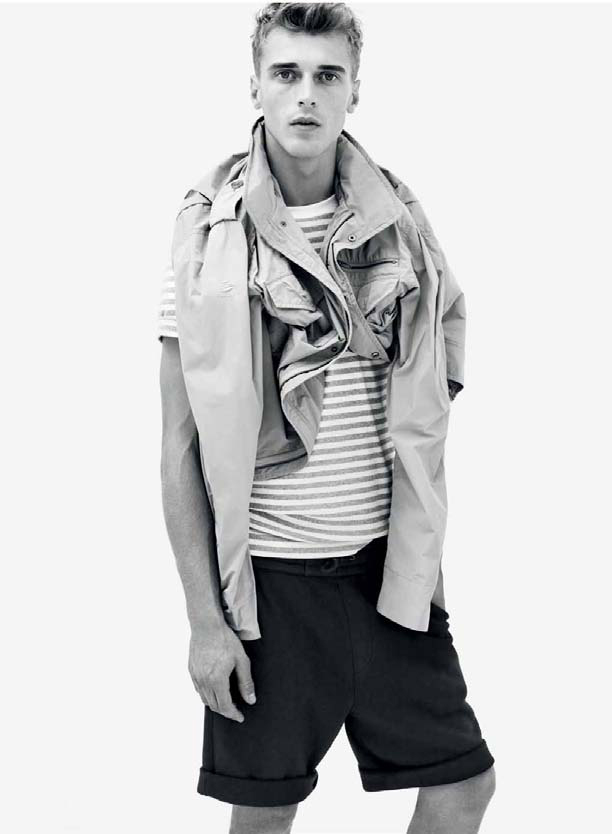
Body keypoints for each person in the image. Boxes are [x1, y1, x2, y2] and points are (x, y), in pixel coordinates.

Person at [158, 3, 496, 832]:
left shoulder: (401, 226)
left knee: (465, 786)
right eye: (287, 73)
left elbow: (427, 398)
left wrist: (426, 566)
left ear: (353, 92)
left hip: (385, 575)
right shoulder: (205, 237)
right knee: (265, 817)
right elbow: (178, 448)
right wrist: (206, 624)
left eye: (326, 75)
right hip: (270, 588)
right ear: (256, 87)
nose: (306, 93)